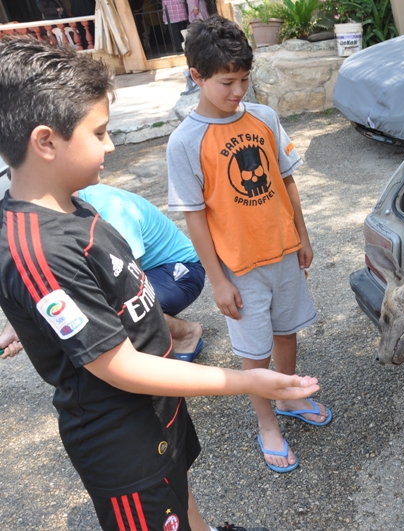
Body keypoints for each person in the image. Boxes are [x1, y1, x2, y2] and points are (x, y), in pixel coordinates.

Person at [0, 36, 319, 531]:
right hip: (121, 434)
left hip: (158, 405)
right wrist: (246, 381)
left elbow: (73, 301)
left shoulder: (73, 204)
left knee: (178, 480)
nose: (110, 145)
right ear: (45, 141)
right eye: (100, 132)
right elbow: (119, 366)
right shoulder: (36, 246)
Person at [167, 16, 331, 474]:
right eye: (226, 82)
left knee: (286, 329)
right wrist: (217, 280)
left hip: (282, 253)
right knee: (253, 350)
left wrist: (303, 235)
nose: (238, 91)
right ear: (196, 76)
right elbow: (194, 218)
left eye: (244, 79)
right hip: (239, 267)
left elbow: (286, 179)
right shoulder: (185, 142)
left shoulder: (264, 117)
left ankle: (289, 397)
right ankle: (267, 423)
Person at [78, 183, 206, 361]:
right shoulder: (75, 205)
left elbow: (129, 279)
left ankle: (187, 334)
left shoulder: (111, 208)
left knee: (125, 305)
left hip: (182, 269)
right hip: (150, 271)